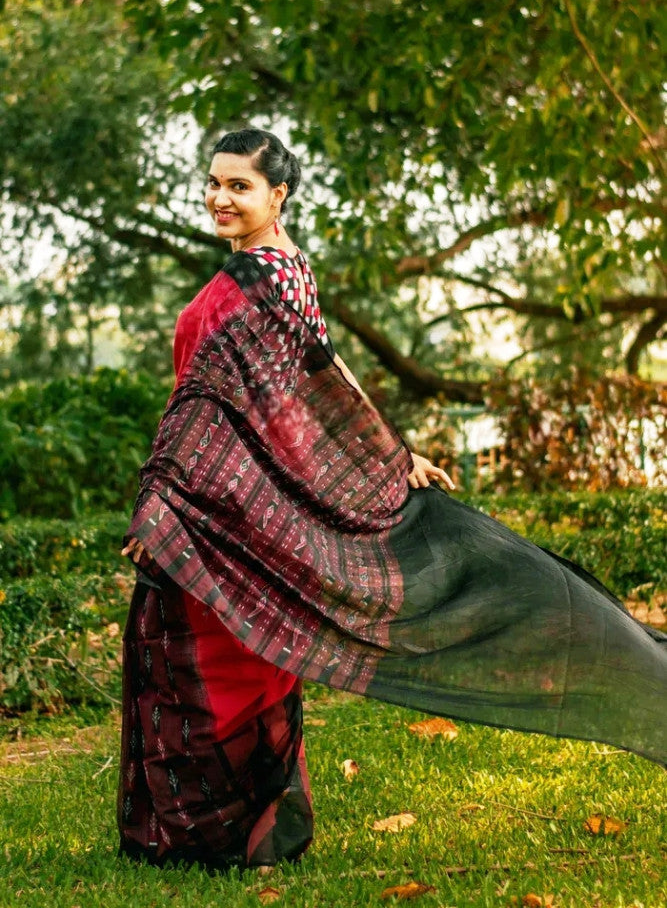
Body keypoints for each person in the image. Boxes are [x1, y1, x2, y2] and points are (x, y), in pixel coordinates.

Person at [118, 128, 666, 873]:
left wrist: (167, 499)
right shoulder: (273, 271)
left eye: (238, 185)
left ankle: (227, 837)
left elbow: (253, 391)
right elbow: (303, 370)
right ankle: (218, 835)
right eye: (212, 182)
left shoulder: (269, 278)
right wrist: (389, 446)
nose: (219, 196)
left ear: (278, 196)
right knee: (210, 648)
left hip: (223, 503)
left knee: (224, 655)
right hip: (220, 500)